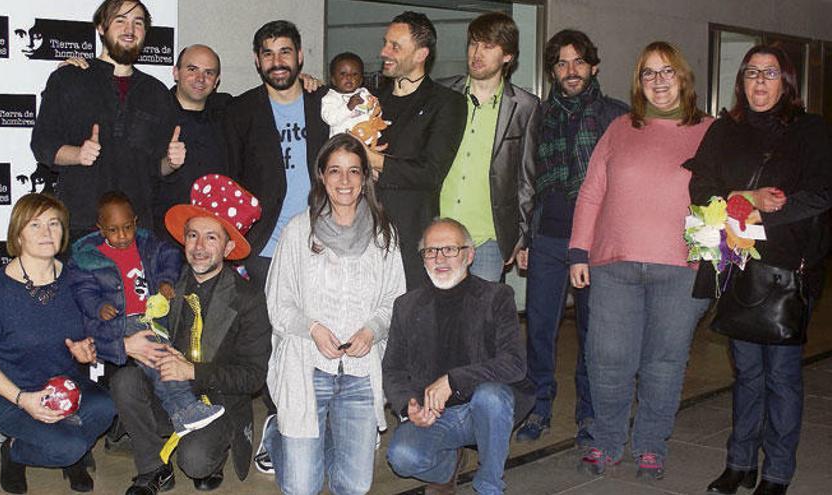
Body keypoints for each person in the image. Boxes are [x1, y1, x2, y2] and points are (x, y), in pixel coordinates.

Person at [686, 45, 832, 495]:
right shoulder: (724, 130)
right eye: (751, 73)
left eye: (770, 73)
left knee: (783, 376)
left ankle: (778, 472)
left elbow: (822, 193)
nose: (760, 82)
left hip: (788, 270)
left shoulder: (811, 130)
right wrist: (748, 200)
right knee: (747, 372)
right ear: (741, 81)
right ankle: (740, 462)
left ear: (786, 81)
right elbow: (701, 186)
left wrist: (767, 214)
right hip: (737, 265)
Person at [568, 41, 713, 479]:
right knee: (606, 357)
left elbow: (730, 194)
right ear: (638, 82)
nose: (658, 81)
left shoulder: (709, 130)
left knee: (664, 362)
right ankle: (607, 442)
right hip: (614, 263)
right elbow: (592, 191)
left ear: (682, 77)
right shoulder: (619, 129)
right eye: (648, 73)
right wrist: (579, 250)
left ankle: (651, 445)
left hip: (681, 268)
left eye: (666, 71)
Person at [257, 133, 405, 494]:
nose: (344, 180)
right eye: (335, 170)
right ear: (321, 175)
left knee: (353, 488)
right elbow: (279, 303)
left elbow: (393, 302)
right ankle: (279, 434)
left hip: (359, 371)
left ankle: (313, 438)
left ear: (365, 177)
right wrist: (312, 329)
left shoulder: (384, 235)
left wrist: (371, 330)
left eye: (354, 171)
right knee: (302, 488)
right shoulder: (297, 231)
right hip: (307, 368)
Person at [112, 174, 271, 494]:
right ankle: (153, 467)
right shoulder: (166, 282)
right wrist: (133, 344)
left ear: (228, 246)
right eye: (193, 235)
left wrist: (192, 370)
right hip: (167, 389)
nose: (199, 247)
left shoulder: (248, 298)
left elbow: (254, 376)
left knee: (196, 461)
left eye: (211, 238)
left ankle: (210, 450)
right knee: (124, 381)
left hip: (217, 397)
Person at [516, 29, 628, 444]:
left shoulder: (616, 116)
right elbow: (526, 179)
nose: (571, 70)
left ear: (593, 66)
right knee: (540, 330)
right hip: (546, 237)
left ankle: (589, 413)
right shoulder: (539, 115)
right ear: (553, 71)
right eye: (562, 63)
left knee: (592, 332)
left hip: (596, 243)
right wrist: (525, 237)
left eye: (578, 61)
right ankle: (538, 407)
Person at [0, 193, 115, 494]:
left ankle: (69, 449)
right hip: (13, 397)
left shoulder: (76, 278)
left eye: (54, 224)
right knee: (68, 446)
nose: (47, 233)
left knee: (106, 408)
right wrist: (24, 400)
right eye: (35, 225)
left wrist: (87, 348)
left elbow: (88, 333)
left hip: (65, 388)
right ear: (18, 235)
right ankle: (15, 451)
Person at [384, 218, 534, 495]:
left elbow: (514, 363)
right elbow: (392, 369)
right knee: (402, 458)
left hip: (484, 410)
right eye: (431, 251)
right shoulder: (406, 306)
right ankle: (447, 466)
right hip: (436, 414)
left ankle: (489, 484)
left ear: (469, 254)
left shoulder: (497, 296)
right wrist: (408, 406)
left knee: (491, 396)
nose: (439, 258)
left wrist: (453, 380)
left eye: (450, 249)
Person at [68, 191, 229, 437]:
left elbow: (171, 257)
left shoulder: (148, 244)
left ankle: (179, 416)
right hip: (123, 322)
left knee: (158, 366)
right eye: (113, 230)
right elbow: (83, 290)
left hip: (151, 316)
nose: (122, 236)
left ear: (135, 222)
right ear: (100, 228)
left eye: (126, 228)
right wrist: (98, 306)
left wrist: (165, 281)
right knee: (161, 357)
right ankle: (186, 407)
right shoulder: (89, 259)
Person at [30, 0, 182, 242]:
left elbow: (156, 169)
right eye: (120, 20)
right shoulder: (69, 78)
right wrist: (78, 154)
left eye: (138, 23)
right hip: (83, 227)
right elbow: (43, 145)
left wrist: (171, 163)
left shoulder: (157, 93)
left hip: (137, 231)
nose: (130, 30)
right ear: (101, 27)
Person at [225, 20, 330, 289]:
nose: (277, 61)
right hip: (263, 251)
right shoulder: (240, 112)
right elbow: (231, 177)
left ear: (300, 55)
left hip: (325, 245)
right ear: (257, 60)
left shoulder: (326, 103)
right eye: (268, 54)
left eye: (285, 51)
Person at [437, 12, 539, 282]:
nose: (477, 53)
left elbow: (526, 179)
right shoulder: (443, 93)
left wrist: (518, 235)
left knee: (481, 322)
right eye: (473, 44)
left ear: (508, 56)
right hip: (438, 233)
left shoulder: (525, 107)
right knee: (440, 320)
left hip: (489, 240)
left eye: (488, 46)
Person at [369, 11, 468, 289]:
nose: (384, 52)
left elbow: (431, 172)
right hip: (366, 233)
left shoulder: (447, 103)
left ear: (421, 54)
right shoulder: (371, 99)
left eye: (395, 46)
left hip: (410, 238)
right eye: (386, 43)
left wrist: (376, 161)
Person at [156, 44, 233, 235]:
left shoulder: (228, 111)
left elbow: (267, 99)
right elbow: (137, 172)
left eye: (209, 73)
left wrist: (298, 83)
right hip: (164, 237)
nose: (200, 78)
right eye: (192, 69)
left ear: (216, 81)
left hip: (213, 237)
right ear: (175, 73)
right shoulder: (152, 112)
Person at [321, 52, 376, 137]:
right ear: (333, 80)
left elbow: (373, 110)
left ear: (361, 80)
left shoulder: (364, 93)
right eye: (343, 74)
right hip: (343, 142)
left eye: (354, 74)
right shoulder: (330, 98)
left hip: (366, 139)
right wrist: (348, 107)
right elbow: (330, 119)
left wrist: (375, 108)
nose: (349, 77)